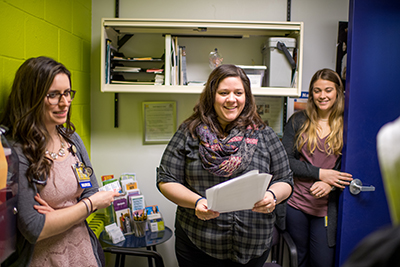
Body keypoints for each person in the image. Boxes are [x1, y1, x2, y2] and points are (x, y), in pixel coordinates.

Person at [157, 64, 293, 267]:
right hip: (198, 244)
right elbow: (166, 179)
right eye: (223, 93)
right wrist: (196, 202)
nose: (232, 99)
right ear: (211, 96)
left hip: (253, 246)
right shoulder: (189, 133)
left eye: (239, 92)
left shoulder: (264, 134)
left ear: (246, 96)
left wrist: (272, 196)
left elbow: (285, 180)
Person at [0, 57, 120, 267]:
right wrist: (90, 205)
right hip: (45, 259)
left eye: (67, 93)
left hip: (83, 253)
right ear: (32, 97)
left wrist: (59, 215)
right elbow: (35, 228)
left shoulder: (71, 139)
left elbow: (91, 189)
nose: (64, 103)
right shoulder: (17, 152)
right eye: (53, 95)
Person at [281, 68, 353, 267]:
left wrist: (331, 184)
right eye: (317, 90)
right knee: (298, 258)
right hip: (296, 204)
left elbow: (352, 167)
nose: (322, 96)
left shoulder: (349, 123)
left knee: (323, 262)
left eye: (328, 90)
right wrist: (320, 174)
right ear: (311, 93)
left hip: (325, 207)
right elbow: (285, 160)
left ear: (338, 91)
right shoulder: (298, 121)